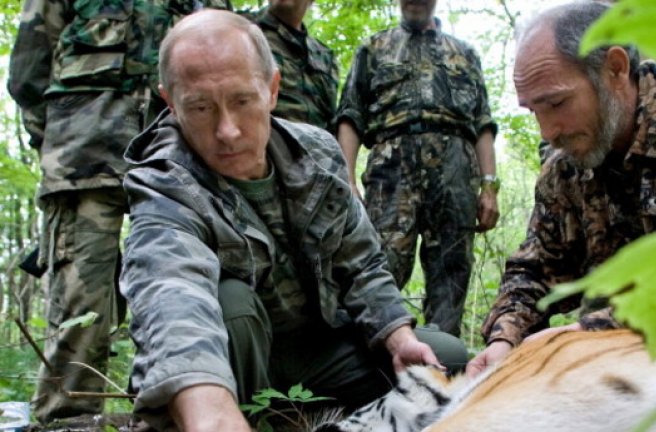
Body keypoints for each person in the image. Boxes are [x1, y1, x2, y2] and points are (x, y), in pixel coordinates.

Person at [120, 10, 465, 430]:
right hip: (234, 366)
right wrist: (210, 414)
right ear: (170, 104)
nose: (227, 130)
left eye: (242, 101)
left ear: (272, 89)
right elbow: (170, 295)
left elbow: (360, 262)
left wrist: (398, 336)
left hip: (319, 353)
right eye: (201, 107)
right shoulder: (163, 183)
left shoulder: (317, 154)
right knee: (231, 304)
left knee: (444, 358)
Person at [466, 1, 656, 377]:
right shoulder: (566, 167)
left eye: (557, 103)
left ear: (615, 68)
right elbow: (535, 267)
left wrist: (590, 335)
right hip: (620, 373)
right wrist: (503, 343)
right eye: (533, 111)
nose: (548, 132)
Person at [6, 0, 231, 421]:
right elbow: (28, 73)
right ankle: (67, 423)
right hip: (85, 156)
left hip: (179, 163)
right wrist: (59, 141)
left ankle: (176, 417)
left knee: (188, 292)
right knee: (81, 303)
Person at [335, 0, 500, 337]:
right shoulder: (373, 48)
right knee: (380, 262)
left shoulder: (464, 53)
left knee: (452, 270)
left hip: (456, 168)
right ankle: (375, 360)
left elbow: (483, 123)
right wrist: (347, 179)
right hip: (391, 168)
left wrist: (489, 186)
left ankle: (444, 363)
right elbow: (351, 116)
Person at [239, 0, 338, 130]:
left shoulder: (325, 56)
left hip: (314, 148)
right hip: (264, 145)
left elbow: (331, 122)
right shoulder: (241, 30)